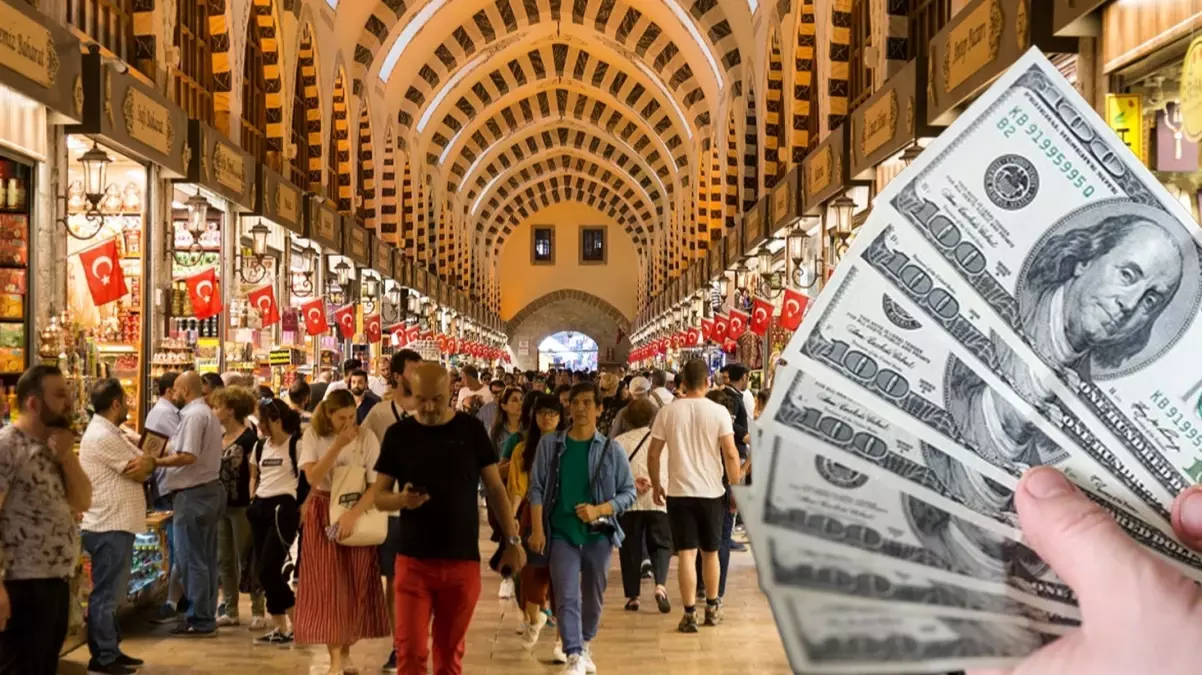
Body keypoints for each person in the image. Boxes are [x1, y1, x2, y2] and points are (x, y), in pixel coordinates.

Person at [371, 363, 525, 675]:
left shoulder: (470, 430)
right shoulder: (399, 435)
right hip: (413, 561)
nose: (429, 407)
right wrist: (402, 500)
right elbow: (378, 496)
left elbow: (495, 488)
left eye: (437, 400)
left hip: (461, 561)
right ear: (412, 395)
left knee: (448, 652)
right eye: (422, 399)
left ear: (450, 393)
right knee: (410, 651)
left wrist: (512, 540)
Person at [528, 382, 636, 675]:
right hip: (561, 531)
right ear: (568, 407)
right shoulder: (551, 445)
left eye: (588, 403)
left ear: (600, 409)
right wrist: (537, 529)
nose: (580, 408)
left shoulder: (612, 450)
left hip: (598, 534)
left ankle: (586, 643)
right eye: (575, 403)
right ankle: (573, 652)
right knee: (565, 593)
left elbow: (629, 493)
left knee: (594, 592)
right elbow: (536, 489)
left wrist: (599, 510)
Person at [0, 366, 91, 674]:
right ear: (33, 403)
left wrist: (67, 457)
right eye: (60, 394)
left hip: (55, 579)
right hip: (20, 583)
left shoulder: (56, 449)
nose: (69, 402)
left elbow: (83, 501)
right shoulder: (8, 446)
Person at [294, 389, 389, 675]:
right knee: (328, 584)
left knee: (354, 582)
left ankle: (346, 653)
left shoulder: (367, 438)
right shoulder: (313, 436)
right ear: (328, 415)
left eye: (352, 416)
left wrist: (352, 515)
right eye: (341, 418)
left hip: (356, 509)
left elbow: (376, 483)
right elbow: (312, 477)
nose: (348, 423)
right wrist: (337, 446)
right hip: (322, 510)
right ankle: (335, 658)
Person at [647, 359, 741, 633]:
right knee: (710, 552)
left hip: (679, 492)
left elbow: (654, 453)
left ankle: (689, 614)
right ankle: (711, 608)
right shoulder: (719, 412)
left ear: (682, 383)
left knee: (686, 554)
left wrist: (656, 483)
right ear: (708, 382)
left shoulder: (669, 412)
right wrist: (736, 487)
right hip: (712, 492)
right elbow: (731, 453)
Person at [79, 379, 155, 674]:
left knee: (112, 593)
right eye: (125, 400)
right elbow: (140, 466)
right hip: (108, 523)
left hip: (116, 523)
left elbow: (146, 459)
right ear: (115, 404)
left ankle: (111, 647)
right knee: (107, 595)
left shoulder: (112, 431)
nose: (128, 405)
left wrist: (149, 461)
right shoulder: (101, 435)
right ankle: (103, 656)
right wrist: (148, 463)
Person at [362, 348, 422, 673]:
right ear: (398, 374)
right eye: (412, 369)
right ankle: (400, 644)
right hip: (392, 510)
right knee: (395, 580)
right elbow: (364, 452)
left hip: (426, 509)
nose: (417, 375)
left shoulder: (434, 411)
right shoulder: (381, 414)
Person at [159, 371, 227, 636]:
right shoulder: (204, 413)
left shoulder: (193, 415)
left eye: (175, 390)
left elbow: (187, 455)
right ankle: (205, 613)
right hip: (206, 492)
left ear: (185, 390)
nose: (172, 395)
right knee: (205, 558)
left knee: (191, 559)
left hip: (194, 495)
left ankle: (199, 617)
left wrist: (157, 463)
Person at [247, 397, 303, 646]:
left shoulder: (296, 445)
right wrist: (252, 498)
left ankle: (297, 623)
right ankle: (280, 628)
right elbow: (254, 475)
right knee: (264, 571)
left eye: (264, 420)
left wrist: (305, 507)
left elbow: (308, 480)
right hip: (260, 507)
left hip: (284, 509)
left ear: (276, 420)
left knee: (269, 569)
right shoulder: (260, 447)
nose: (259, 425)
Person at [508, 393, 562, 651]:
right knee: (531, 571)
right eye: (542, 413)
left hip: (562, 513)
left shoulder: (568, 445)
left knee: (563, 576)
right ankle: (534, 617)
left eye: (552, 413)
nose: (547, 418)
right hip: (532, 513)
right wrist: (513, 517)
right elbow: (519, 487)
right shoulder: (522, 448)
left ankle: (565, 642)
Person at [210, 386, 265, 628]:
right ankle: (230, 608)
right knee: (224, 559)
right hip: (221, 506)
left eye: (218, 407)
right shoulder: (219, 438)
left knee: (248, 558)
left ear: (230, 411)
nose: (214, 411)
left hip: (243, 505)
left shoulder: (249, 439)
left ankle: (257, 609)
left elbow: (256, 472)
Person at [613, 399, 671, 615]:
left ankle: (633, 597)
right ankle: (660, 586)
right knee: (661, 544)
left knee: (630, 549)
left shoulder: (618, 442)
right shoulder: (662, 441)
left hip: (629, 502)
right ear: (652, 417)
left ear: (626, 419)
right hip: (658, 499)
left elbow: (614, 473)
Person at [146, 372, 188, 624]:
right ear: (170, 391)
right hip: (167, 486)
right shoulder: (164, 414)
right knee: (178, 546)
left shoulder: (169, 413)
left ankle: (178, 597)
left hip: (169, 485)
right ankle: (175, 600)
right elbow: (179, 447)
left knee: (179, 545)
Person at [489, 386, 525, 599]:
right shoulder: (496, 433)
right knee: (507, 531)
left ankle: (510, 573)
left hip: (522, 492)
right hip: (501, 491)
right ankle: (507, 573)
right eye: (514, 400)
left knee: (515, 531)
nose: (518, 403)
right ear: (503, 405)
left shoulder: (530, 430)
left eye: (521, 399)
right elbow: (491, 468)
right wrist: (515, 463)